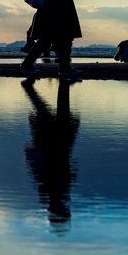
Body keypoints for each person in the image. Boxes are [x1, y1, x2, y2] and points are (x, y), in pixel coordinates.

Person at [22, 78, 79, 230]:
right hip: (55, 147)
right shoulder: (54, 192)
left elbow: (39, 168)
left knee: (48, 113)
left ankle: (31, 89)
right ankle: (32, 89)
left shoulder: (50, 192)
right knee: (51, 113)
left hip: (53, 147)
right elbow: (65, 169)